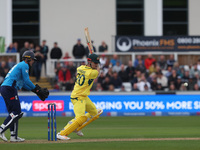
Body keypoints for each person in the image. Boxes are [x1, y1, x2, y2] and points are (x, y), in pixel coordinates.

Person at [0, 50, 49, 142]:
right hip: (9, 88)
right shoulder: (24, 65)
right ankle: (1, 129)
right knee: (17, 112)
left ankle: (13, 136)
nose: (33, 61)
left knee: (13, 113)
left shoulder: (20, 66)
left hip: (5, 88)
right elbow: (27, 80)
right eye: (32, 60)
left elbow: (24, 84)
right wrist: (37, 89)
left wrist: (36, 91)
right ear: (28, 59)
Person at [57, 53, 103, 140]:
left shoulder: (80, 68)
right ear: (89, 62)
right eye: (95, 63)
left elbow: (91, 68)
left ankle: (77, 127)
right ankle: (61, 133)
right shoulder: (91, 73)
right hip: (78, 97)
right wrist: (97, 66)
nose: (96, 65)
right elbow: (98, 71)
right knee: (81, 117)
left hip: (84, 96)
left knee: (95, 113)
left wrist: (94, 61)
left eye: (97, 63)